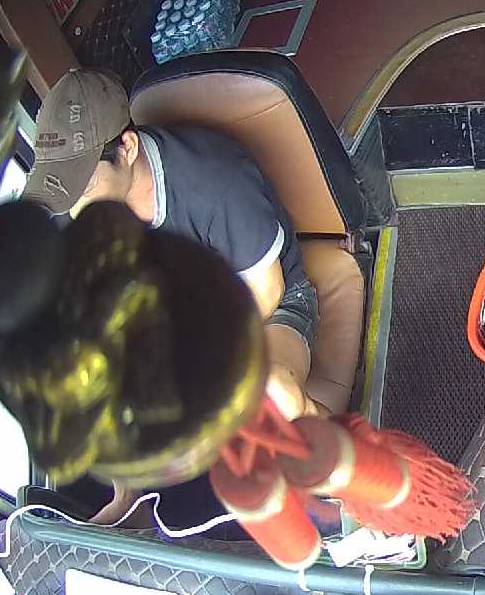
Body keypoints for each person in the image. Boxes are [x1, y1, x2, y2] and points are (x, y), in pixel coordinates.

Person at [23, 68, 333, 525]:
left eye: (83, 186)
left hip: (265, 309)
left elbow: (267, 292)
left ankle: (342, 473)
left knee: (273, 391)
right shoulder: (80, 212)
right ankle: (128, 495)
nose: (75, 208)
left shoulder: (214, 181)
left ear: (127, 148)